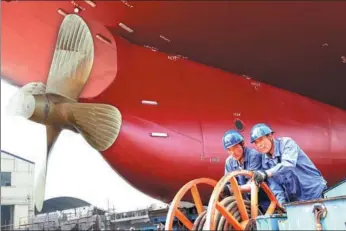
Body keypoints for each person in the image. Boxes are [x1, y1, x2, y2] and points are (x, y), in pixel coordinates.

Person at [249, 123, 327, 204]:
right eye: (256, 142)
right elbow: (275, 187)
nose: (259, 145)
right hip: (297, 199)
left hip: (314, 191)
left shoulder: (287, 143)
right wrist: (282, 204)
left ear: (270, 136)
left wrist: (266, 173)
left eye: (261, 139)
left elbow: (288, 164)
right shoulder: (265, 161)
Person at [222, 130, 270, 211]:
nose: (232, 153)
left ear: (243, 144)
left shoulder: (253, 155)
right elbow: (229, 183)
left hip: (264, 201)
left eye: (235, 148)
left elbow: (255, 182)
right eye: (229, 150)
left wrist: (234, 189)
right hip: (246, 205)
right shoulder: (229, 162)